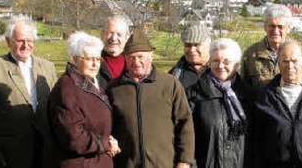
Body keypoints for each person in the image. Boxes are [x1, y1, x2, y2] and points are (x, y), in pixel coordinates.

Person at [0, 15, 59, 168]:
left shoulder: (47, 67)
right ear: (9, 41)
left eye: (30, 40)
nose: (26, 45)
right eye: (20, 40)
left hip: (44, 150)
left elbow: (55, 107)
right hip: (10, 152)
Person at [107, 29, 194, 168]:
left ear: (151, 56)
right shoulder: (113, 88)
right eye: (131, 57)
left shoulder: (169, 84)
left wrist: (184, 161)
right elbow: (105, 125)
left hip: (164, 164)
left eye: (140, 56)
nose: (136, 62)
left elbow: (185, 124)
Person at [48, 32, 121, 168]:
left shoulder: (89, 83)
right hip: (81, 163)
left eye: (98, 59)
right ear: (75, 60)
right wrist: (107, 144)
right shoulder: (68, 90)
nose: (95, 64)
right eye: (89, 59)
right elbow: (74, 138)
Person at [185, 38, 252, 168]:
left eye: (226, 62)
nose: (220, 66)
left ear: (237, 64)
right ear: (209, 62)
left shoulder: (248, 96)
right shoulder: (194, 95)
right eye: (216, 61)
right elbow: (186, 139)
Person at [241, 4, 302, 93]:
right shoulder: (251, 54)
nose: (276, 31)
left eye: (280, 27)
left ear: (288, 28)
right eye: (272, 26)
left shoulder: (300, 52)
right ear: (265, 27)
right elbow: (244, 90)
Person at [98, 16, 131, 88]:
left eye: (119, 34)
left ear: (127, 38)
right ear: (102, 34)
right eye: (110, 33)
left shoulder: (133, 62)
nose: (114, 38)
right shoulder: (92, 62)